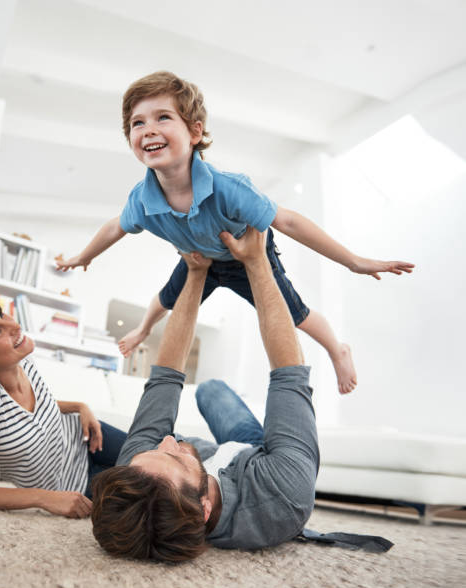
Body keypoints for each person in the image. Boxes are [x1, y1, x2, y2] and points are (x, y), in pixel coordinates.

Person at [54, 71, 414, 395]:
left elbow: (287, 221)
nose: (148, 129)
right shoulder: (141, 200)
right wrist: (85, 256)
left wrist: (354, 261)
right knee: (165, 299)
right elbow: (115, 227)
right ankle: (145, 328)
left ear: (195, 132)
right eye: (137, 123)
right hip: (200, 258)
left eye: (163, 117)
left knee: (295, 315)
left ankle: (338, 348)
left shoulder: (229, 188)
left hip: (247, 254)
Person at [91, 226, 322, 561]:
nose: (167, 441)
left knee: (208, 391)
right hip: (257, 453)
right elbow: (288, 376)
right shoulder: (284, 493)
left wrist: (196, 272)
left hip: (215, 453)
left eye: (159, 450)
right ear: (203, 509)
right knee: (215, 389)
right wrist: (258, 263)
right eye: (173, 457)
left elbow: (165, 378)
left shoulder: (140, 472)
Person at [0, 297, 127, 518]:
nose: (14, 325)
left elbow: (33, 410)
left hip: (91, 438)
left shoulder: (23, 364)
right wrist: (43, 498)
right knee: (159, 489)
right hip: (77, 485)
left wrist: (80, 407)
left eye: (1, 314)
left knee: (163, 450)